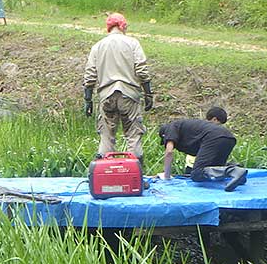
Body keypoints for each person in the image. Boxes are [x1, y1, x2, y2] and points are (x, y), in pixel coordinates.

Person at [83, 12, 153, 159]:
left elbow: (90, 75)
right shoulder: (132, 43)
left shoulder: (98, 46)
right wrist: (148, 94)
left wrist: (88, 100)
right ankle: (135, 175)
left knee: (106, 137)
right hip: (129, 95)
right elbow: (142, 70)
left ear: (108, 27)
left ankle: (104, 173)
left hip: (106, 96)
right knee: (133, 135)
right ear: (123, 26)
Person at [156, 107, 247, 192]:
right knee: (215, 169)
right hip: (229, 137)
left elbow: (169, 152)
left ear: (164, 135)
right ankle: (237, 171)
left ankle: (233, 171)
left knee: (197, 173)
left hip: (213, 137)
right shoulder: (189, 128)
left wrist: (166, 176)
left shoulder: (170, 128)